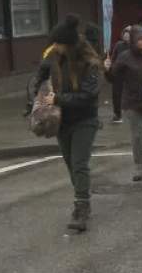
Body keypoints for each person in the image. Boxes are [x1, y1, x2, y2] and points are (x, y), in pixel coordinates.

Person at [35, 15, 103, 232]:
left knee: (79, 163)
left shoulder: (90, 63)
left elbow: (89, 96)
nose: (55, 46)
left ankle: (81, 207)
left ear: (69, 44)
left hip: (85, 119)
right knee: (70, 164)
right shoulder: (55, 58)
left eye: (58, 43)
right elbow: (40, 79)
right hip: (62, 120)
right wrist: (36, 98)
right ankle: (83, 198)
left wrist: (58, 99)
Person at [110, 26, 142, 182]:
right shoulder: (125, 57)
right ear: (133, 41)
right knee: (137, 136)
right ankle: (139, 166)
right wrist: (106, 69)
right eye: (140, 39)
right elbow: (113, 78)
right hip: (131, 103)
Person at [105, 27, 132, 123]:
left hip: (130, 74)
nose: (126, 35)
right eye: (125, 33)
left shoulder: (134, 46)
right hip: (118, 73)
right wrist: (110, 65)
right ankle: (117, 114)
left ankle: (131, 113)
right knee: (116, 94)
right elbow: (114, 56)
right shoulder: (118, 45)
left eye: (128, 34)